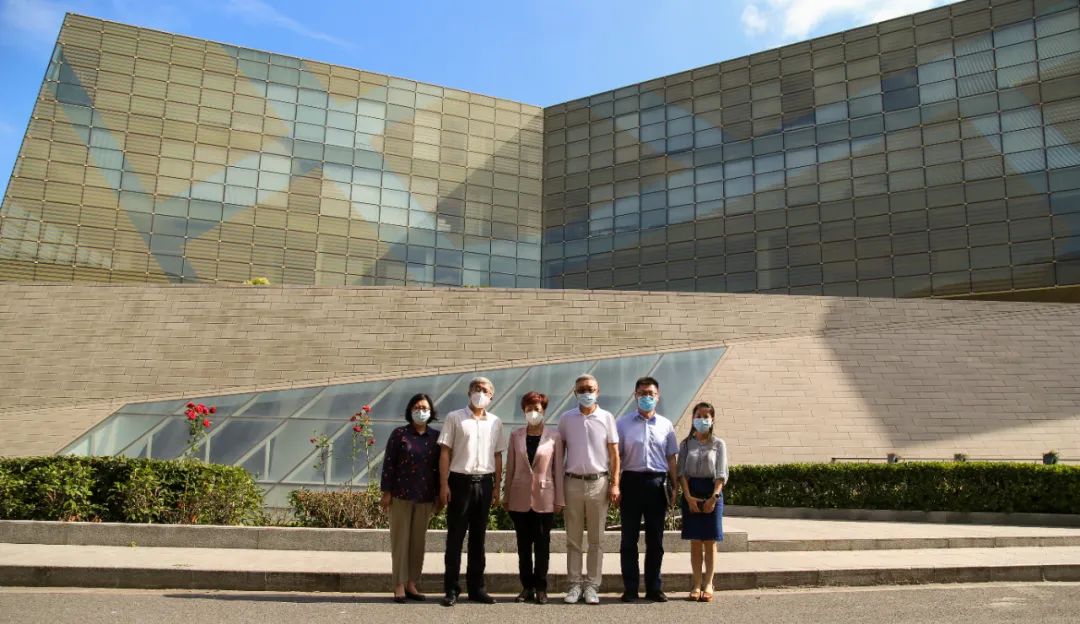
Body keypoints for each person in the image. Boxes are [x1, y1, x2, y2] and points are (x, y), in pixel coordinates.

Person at [437, 377, 505, 607]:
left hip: (484, 483)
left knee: (478, 539)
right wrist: (444, 484)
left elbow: (498, 455)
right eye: (476, 389)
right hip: (459, 482)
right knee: (455, 538)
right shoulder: (455, 417)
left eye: (485, 390)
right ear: (469, 392)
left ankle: (477, 589)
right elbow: (445, 452)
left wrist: (496, 487)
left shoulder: (495, 422)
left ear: (491, 396)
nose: (480, 392)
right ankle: (451, 589)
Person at [557, 373, 620, 605]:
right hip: (572, 482)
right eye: (582, 389)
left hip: (599, 483)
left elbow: (614, 454)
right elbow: (559, 452)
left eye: (590, 389)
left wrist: (615, 483)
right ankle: (574, 584)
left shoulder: (607, 417)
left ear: (598, 391)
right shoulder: (566, 418)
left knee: (597, 539)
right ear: (575, 393)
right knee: (573, 539)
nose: (586, 393)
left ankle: (592, 585)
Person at [616, 376, 678, 602]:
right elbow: (616, 457)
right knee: (628, 540)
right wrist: (615, 484)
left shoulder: (666, 425)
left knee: (656, 541)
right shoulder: (622, 424)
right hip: (631, 482)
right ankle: (630, 588)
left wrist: (675, 487)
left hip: (657, 484)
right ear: (635, 396)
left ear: (658, 397)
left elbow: (671, 458)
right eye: (642, 393)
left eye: (651, 394)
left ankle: (654, 587)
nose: (647, 397)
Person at [502, 391, 564, 604]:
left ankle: (541, 588)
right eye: (529, 409)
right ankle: (526, 587)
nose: (533, 413)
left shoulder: (554, 436)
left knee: (542, 546)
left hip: (545, 498)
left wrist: (559, 499)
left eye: (537, 409)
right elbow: (510, 467)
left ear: (544, 410)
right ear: (524, 411)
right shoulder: (515, 435)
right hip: (519, 497)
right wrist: (506, 495)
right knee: (523, 546)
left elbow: (558, 470)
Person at [379, 393, 441, 603]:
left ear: (431, 412)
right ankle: (398, 584)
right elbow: (389, 463)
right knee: (400, 541)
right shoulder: (400, 434)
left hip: (425, 496)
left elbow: (438, 468)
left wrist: (439, 495)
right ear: (410, 410)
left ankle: (411, 583)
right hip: (401, 495)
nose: (421, 411)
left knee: (417, 542)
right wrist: (387, 492)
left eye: (424, 408)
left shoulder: (436, 437)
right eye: (417, 407)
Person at [677, 401, 728, 603]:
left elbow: (721, 474)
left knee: (710, 540)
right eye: (698, 416)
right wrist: (688, 497)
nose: (702, 419)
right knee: (696, 542)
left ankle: (708, 583)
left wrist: (714, 498)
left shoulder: (718, 444)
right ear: (693, 418)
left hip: (712, 492)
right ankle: (696, 583)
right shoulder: (685, 444)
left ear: (712, 419)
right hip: (691, 492)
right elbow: (681, 473)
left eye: (706, 416)